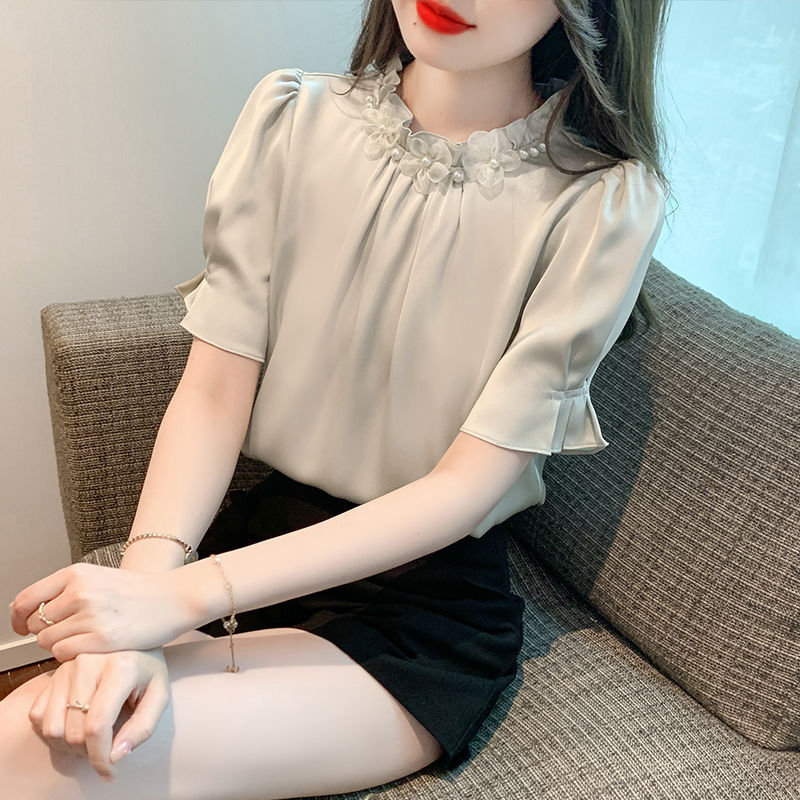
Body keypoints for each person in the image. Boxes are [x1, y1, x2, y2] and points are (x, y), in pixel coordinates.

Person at [1, 0, 672, 797]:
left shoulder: (601, 204)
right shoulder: (291, 118)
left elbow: (465, 489)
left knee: (59, 759)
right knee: (32, 731)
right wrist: (141, 601)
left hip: (416, 612)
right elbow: (213, 393)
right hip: (257, 541)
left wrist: (175, 599)